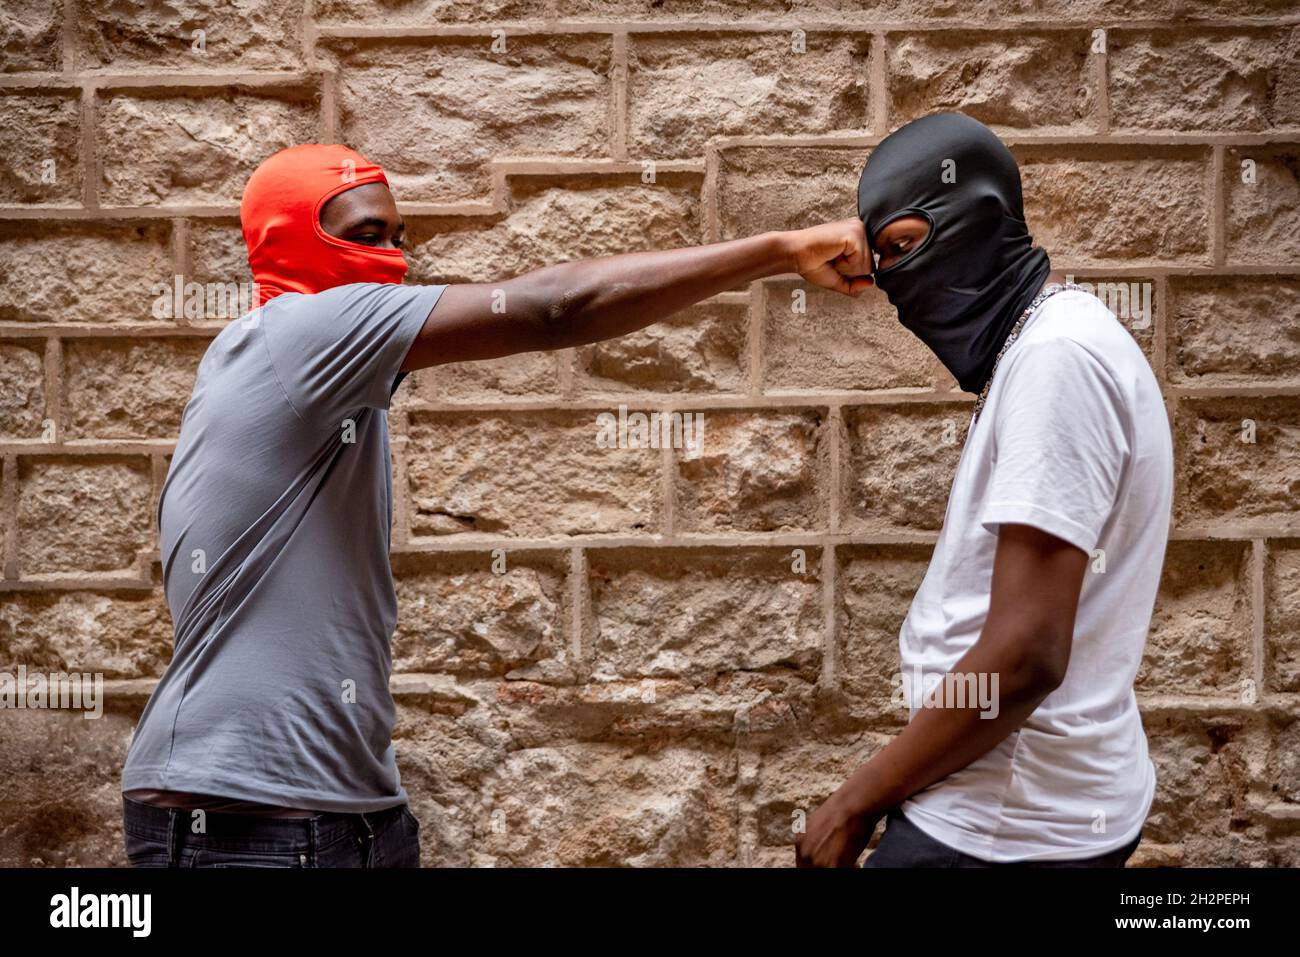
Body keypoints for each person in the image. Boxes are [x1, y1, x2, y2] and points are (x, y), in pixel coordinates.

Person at [119, 143, 874, 867]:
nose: (395, 260)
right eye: (365, 236)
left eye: (399, 236)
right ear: (290, 243)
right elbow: (553, 309)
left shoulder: (299, 369)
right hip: (248, 820)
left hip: (341, 810)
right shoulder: (298, 332)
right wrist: (779, 250)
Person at [796, 112, 1173, 868]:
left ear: (985, 216)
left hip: (1003, 821)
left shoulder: (1056, 359)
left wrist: (854, 800)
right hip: (1021, 794)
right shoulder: (1052, 341)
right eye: (883, 258)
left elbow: (1026, 653)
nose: (896, 283)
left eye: (906, 245)